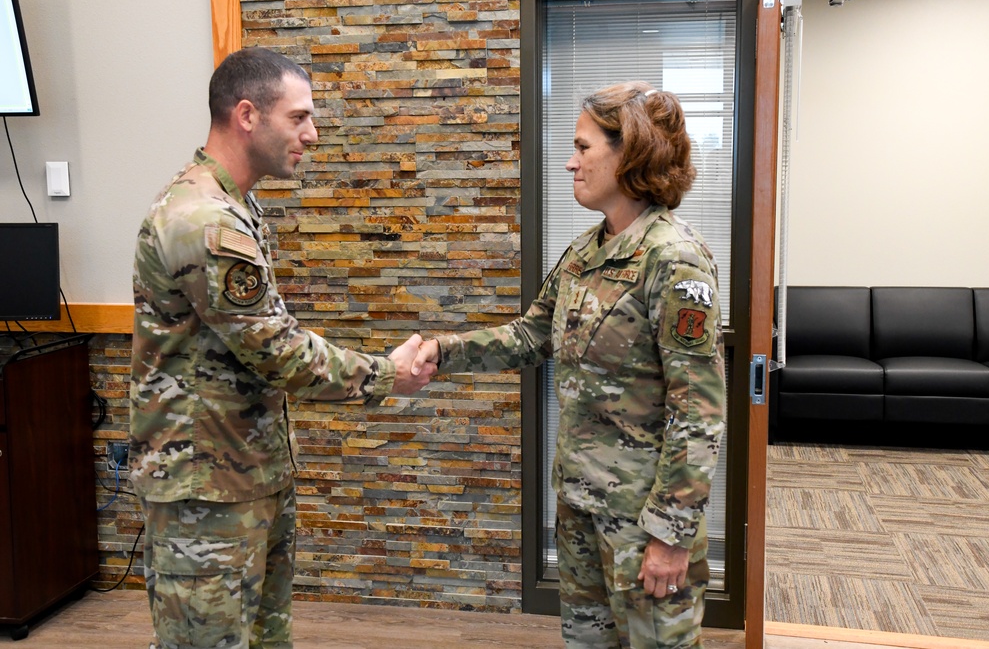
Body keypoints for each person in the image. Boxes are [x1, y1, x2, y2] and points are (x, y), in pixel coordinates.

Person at [129, 47, 436, 649]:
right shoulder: (203, 222)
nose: (312, 134)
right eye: (299, 118)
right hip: (205, 492)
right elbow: (279, 351)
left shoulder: (237, 207)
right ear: (247, 115)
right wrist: (385, 375)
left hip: (245, 473)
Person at [412, 82, 727, 648]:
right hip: (581, 505)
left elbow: (699, 411)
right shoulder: (586, 252)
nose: (570, 162)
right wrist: (445, 348)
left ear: (629, 152)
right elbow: (532, 336)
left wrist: (672, 535)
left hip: (642, 522)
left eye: (583, 148)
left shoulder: (674, 260)